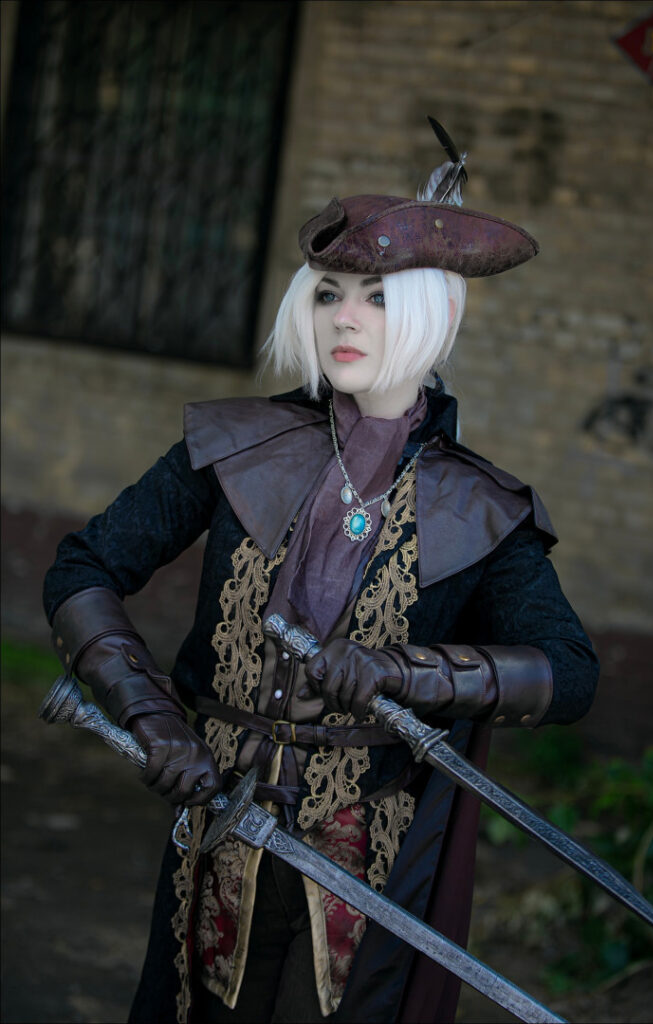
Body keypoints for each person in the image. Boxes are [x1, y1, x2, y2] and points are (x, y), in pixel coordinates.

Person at [43, 124, 599, 1024]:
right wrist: (148, 714)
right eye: (330, 293)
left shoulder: (478, 506)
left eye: (377, 297)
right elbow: (83, 569)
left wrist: (400, 672)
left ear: (434, 313)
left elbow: (567, 673)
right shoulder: (237, 445)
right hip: (213, 830)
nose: (344, 317)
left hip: (361, 867)